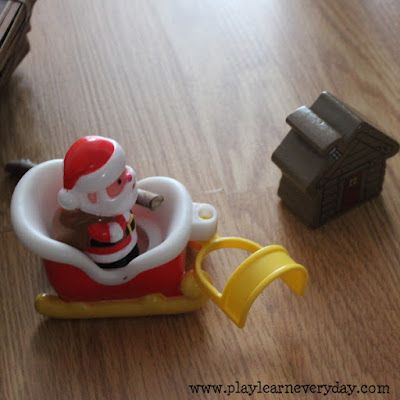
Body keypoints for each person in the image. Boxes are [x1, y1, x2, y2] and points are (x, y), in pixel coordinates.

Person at [53, 136, 139, 269]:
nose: (128, 177)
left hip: (130, 244)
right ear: (93, 197)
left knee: (135, 257)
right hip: (112, 257)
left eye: (124, 170)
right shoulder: (93, 222)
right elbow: (112, 234)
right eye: (119, 182)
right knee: (121, 268)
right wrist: (118, 225)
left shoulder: (120, 204)